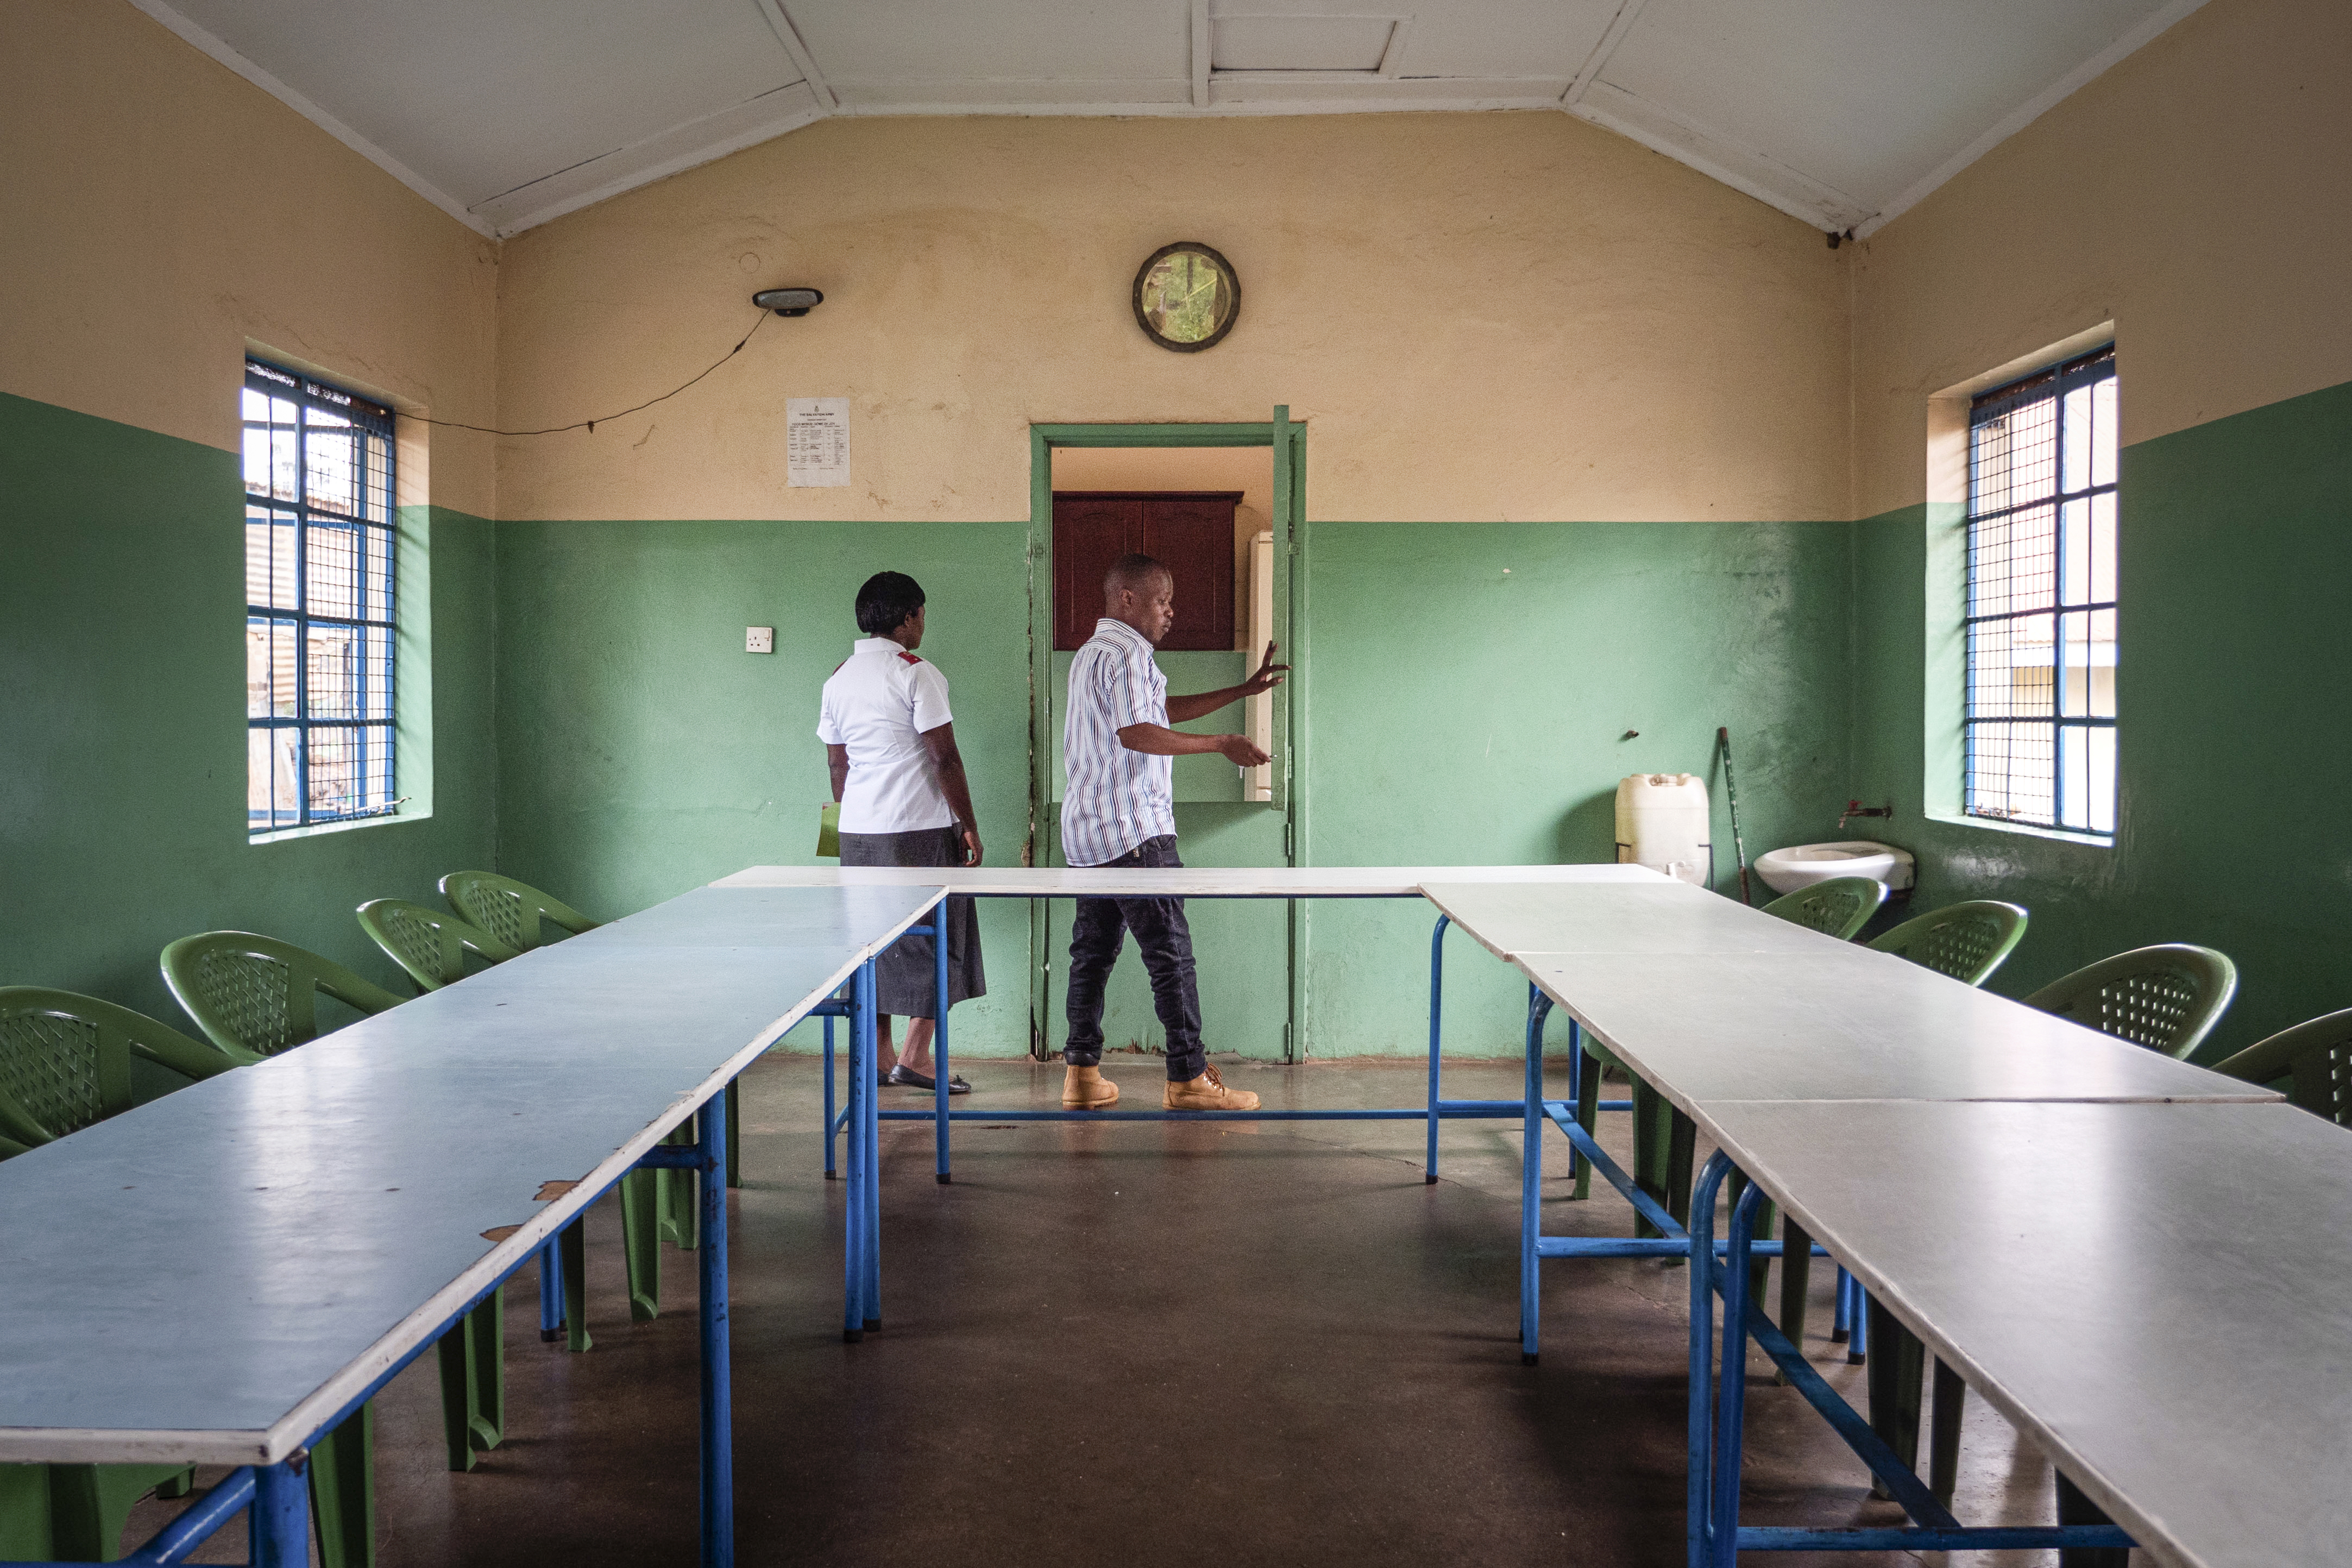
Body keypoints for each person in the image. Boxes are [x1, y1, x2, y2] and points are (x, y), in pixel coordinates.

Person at [1059, 552, 1288, 1111]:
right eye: (1162, 600)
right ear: (1128, 599)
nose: (1170, 613)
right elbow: (1139, 733)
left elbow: (1155, 711)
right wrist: (1219, 743)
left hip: (1091, 834)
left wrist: (1240, 691)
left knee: (1091, 956)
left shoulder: (1093, 653)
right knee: (1171, 957)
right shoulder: (1132, 654)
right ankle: (1187, 1077)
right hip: (1137, 831)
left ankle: (1082, 1074)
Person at [817, 571, 983, 1094]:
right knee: (943, 934)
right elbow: (945, 756)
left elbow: (837, 765)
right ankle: (915, 1056)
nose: (924, 625)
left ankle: (880, 1052)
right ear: (908, 617)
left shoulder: (838, 678)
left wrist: (853, 817)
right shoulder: (917, 673)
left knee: (873, 940)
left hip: (857, 832)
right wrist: (969, 825)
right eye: (922, 615)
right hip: (917, 829)